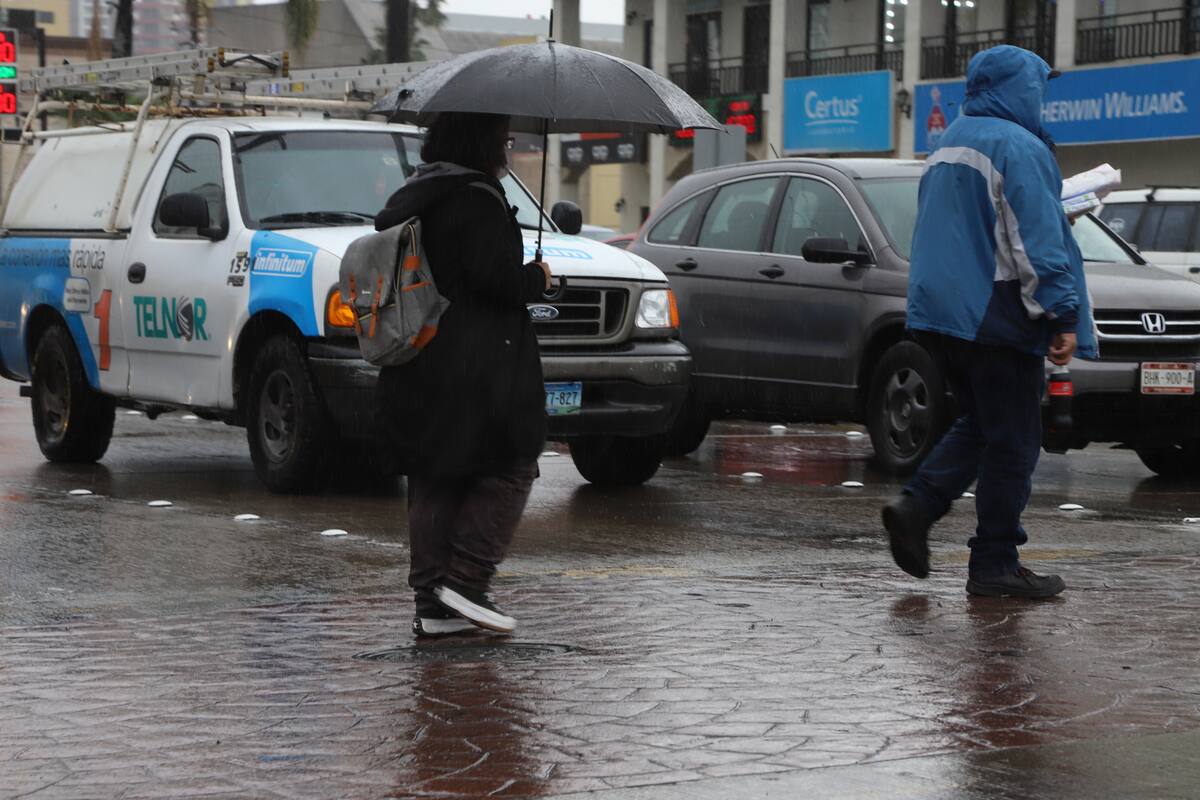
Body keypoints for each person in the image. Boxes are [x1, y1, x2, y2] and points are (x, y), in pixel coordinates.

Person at [881, 46, 1098, 599]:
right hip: (995, 316)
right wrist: (1062, 313)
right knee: (1015, 444)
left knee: (983, 424)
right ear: (1017, 88)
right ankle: (994, 564)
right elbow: (1036, 244)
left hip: (941, 316)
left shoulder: (949, 141)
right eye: (1037, 86)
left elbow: (972, 231)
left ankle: (917, 507)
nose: (1041, 97)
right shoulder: (1018, 147)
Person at [373, 112, 552, 636]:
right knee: (514, 461)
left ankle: (432, 605)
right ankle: (469, 581)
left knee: (435, 470)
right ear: (483, 140)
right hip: (478, 364)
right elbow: (495, 280)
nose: (508, 143)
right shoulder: (475, 199)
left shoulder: (419, 193)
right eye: (503, 136)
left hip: (420, 355)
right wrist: (536, 277)